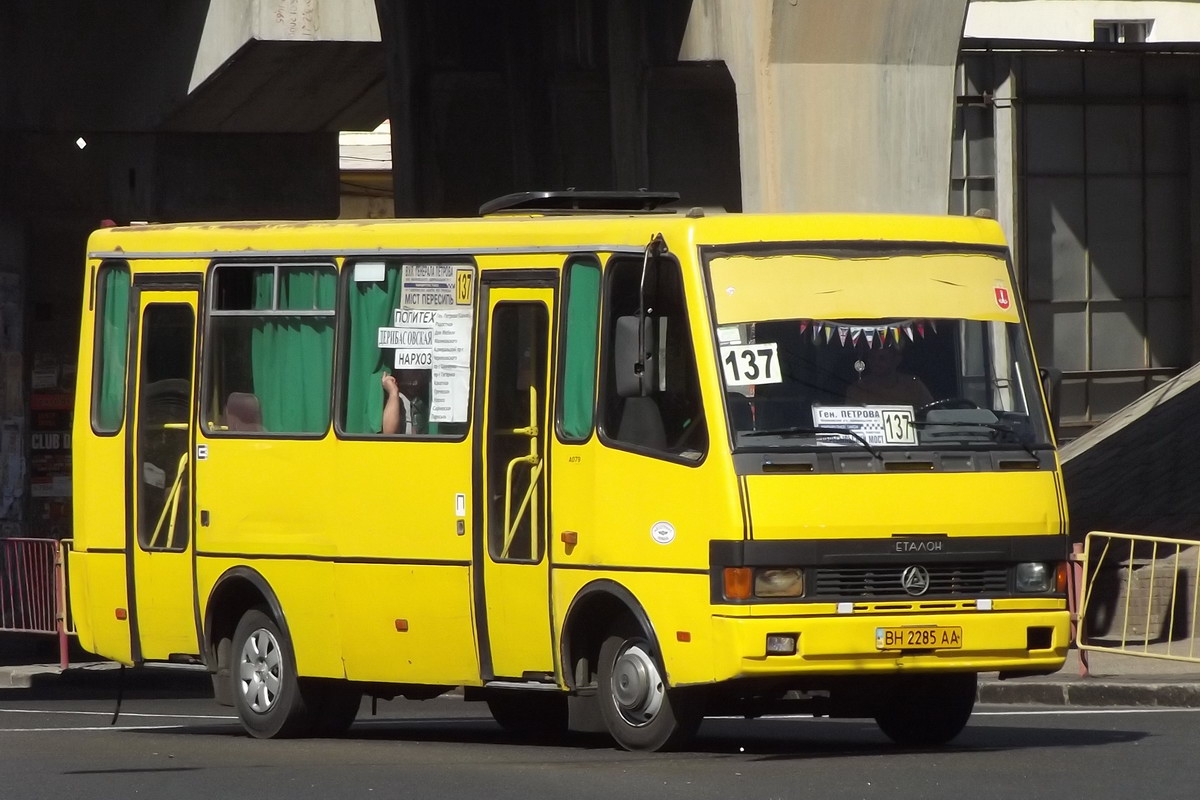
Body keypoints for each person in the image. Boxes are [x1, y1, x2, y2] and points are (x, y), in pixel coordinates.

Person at [846, 344, 934, 407]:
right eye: (872, 358)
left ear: (896, 360)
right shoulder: (857, 389)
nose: (876, 363)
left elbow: (931, 413)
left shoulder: (913, 386)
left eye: (882, 358)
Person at [381, 370, 429, 434]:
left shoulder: (428, 396)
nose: (413, 375)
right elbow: (390, 434)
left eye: (417, 371)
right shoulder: (395, 396)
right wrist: (393, 392)